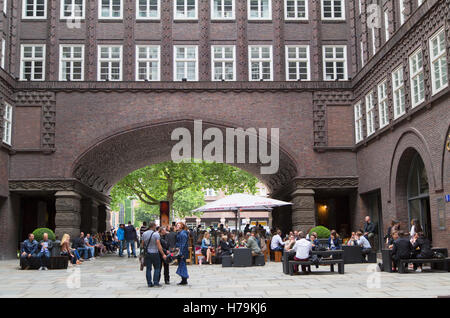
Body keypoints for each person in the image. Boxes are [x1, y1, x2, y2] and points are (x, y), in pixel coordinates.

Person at [141, 222, 167, 288]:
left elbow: (142, 244)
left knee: (148, 268)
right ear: (154, 226)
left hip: (147, 253)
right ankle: (156, 282)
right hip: (155, 253)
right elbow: (158, 245)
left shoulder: (144, 234)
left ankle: (149, 283)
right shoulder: (156, 234)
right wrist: (163, 254)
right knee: (157, 268)